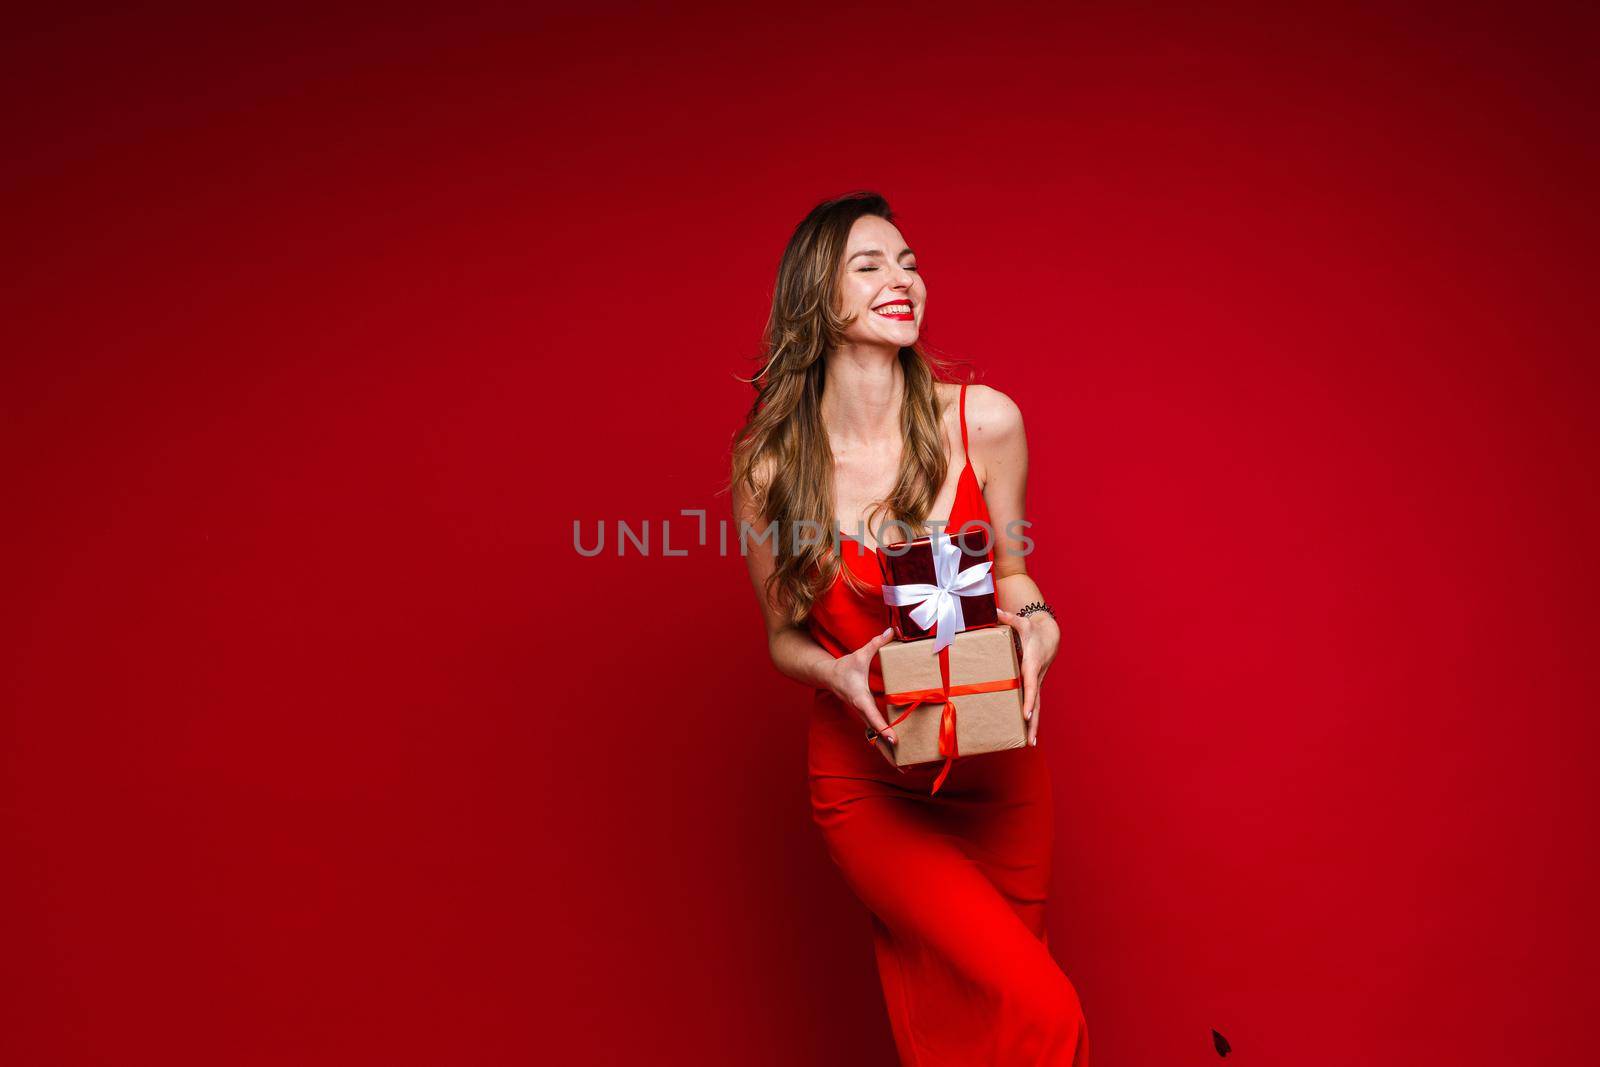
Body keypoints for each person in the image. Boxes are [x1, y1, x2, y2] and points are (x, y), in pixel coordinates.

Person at [728, 190, 1091, 1065]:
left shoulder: (984, 421)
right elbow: (784, 637)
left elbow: (1013, 577)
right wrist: (839, 673)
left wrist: (1039, 627)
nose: (904, 279)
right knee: (1043, 1011)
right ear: (819, 293)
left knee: (984, 1034)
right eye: (871, 264)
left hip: (998, 771)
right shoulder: (771, 464)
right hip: (872, 779)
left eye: (911, 261)